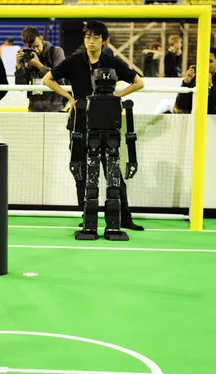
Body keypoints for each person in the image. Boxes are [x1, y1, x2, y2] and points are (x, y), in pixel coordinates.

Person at [43, 21, 145, 231]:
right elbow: (47, 79)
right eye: (88, 36)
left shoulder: (111, 61)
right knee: (80, 171)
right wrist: (69, 98)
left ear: (104, 40)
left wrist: (116, 98)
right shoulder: (74, 61)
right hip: (80, 123)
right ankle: (87, 217)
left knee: (112, 172)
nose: (91, 40)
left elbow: (139, 82)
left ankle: (124, 218)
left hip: (107, 124)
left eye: (96, 37)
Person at [14, 26, 66, 112]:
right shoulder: (27, 55)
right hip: (34, 109)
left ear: (41, 39)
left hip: (55, 109)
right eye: (32, 48)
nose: (36, 50)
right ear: (25, 45)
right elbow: (21, 86)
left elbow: (60, 79)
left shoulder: (56, 52)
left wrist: (38, 65)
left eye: (37, 46)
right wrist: (19, 67)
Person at [174, 47, 216, 114]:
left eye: (210, 61)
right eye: (203, 60)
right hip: (190, 121)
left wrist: (210, 87)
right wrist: (186, 83)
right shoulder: (192, 81)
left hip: (209, 123)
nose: (205, 64)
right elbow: (180, 106)